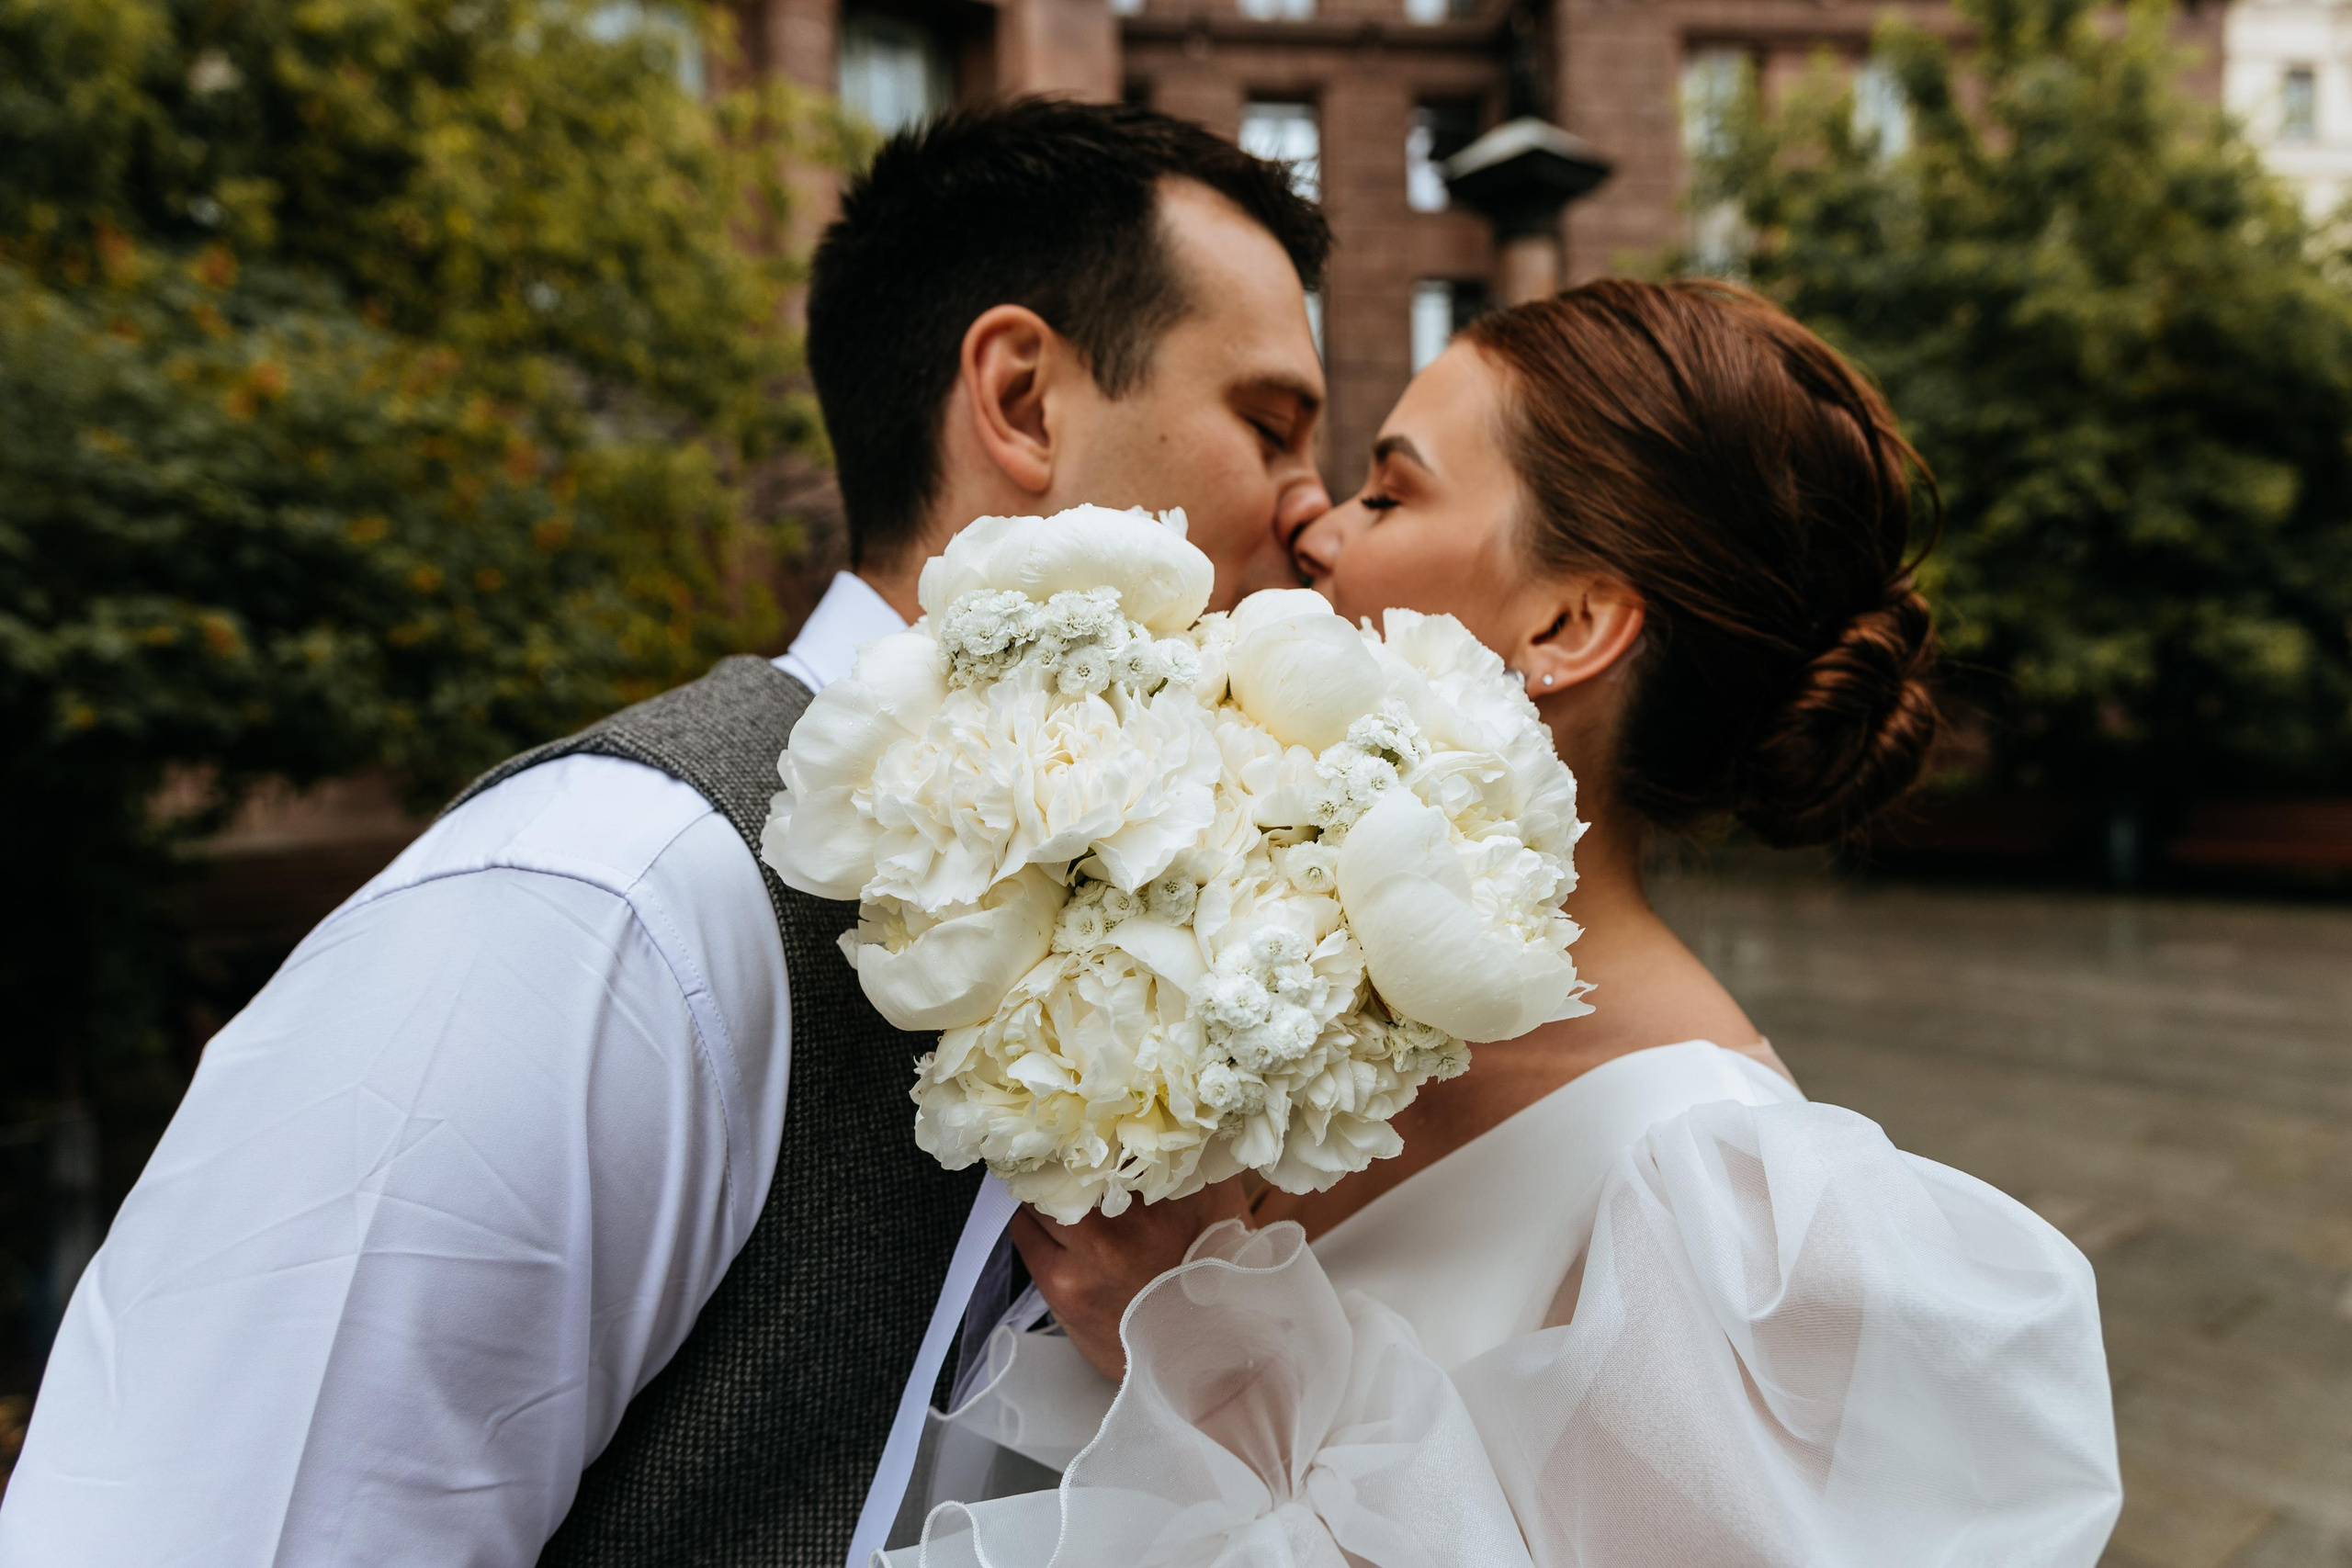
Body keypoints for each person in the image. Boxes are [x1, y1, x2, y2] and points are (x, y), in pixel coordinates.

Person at [0, 99, 1330, 1568]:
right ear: (1020, 400)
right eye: (1269, 424)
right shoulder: (601, 909)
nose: (1316, 517)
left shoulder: (1190, 936)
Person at [877, 281, 2122, 1567]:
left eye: (1390, 489)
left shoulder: (1726, 1211)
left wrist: (1210, 1348)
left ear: (1569, 625)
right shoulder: (1247, 978)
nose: (1315, 522)